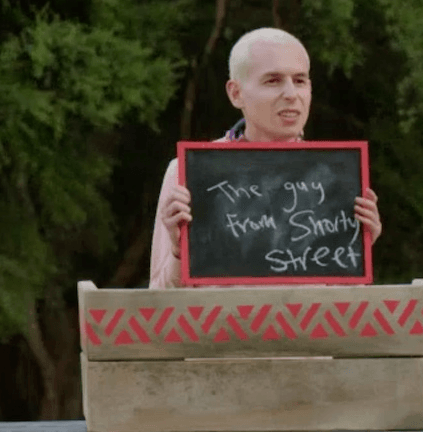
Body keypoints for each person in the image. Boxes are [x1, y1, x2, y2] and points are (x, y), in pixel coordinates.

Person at [149, 27, 382, 289]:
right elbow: (158, 300)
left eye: (300, 80)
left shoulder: (336, 175)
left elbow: (348, 307)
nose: (291, 94)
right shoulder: (188, 173)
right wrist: (180, 253)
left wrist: (357, 251)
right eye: (273, 80)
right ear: (236, 93)